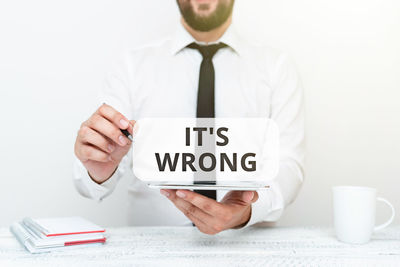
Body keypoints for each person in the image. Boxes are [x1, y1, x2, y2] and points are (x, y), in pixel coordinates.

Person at [73, 0, 304, 235]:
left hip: (246, 246)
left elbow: (288, 165)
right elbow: (91, 182)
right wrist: (98, 169)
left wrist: (247, 210)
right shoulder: (132, 66)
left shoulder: (276, 67)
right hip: (152, 248)